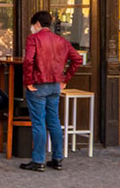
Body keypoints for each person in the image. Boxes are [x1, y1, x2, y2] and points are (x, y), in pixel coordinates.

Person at [19, 11, 82, 172]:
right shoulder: (61, 40)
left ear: (38, 24)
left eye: (33, 25)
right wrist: (65, 78)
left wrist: (28, 81)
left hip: (38, 84)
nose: (32, 28)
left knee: (39, 122)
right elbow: (77, 59)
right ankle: (57, 158)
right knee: (54, 121)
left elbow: (28, 60)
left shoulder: (33, 39)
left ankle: (38, 160)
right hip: (55, 84)